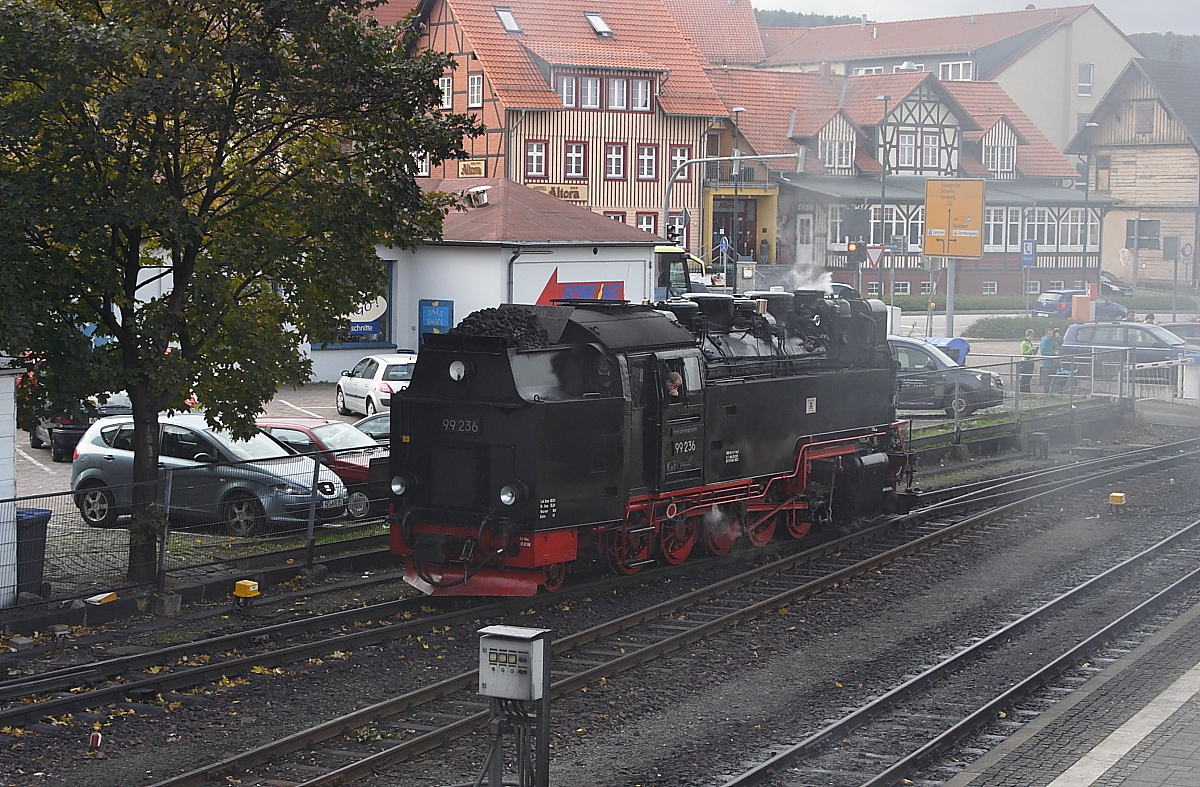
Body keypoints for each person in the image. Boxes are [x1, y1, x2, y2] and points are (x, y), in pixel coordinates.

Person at [1018, 329, 1036, 393]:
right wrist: (1031, 350)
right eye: (1031, 336)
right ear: (1027, 336)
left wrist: (1035, 350)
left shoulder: (1030, 343)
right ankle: (1023, 390)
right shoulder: (1024, 343)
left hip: (1031, 361)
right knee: (1025, 377)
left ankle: (1027, 390)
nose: (1032, 338)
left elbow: (1033, 353)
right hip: (1026, 362)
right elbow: (1023, 353)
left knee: (1029, 377)